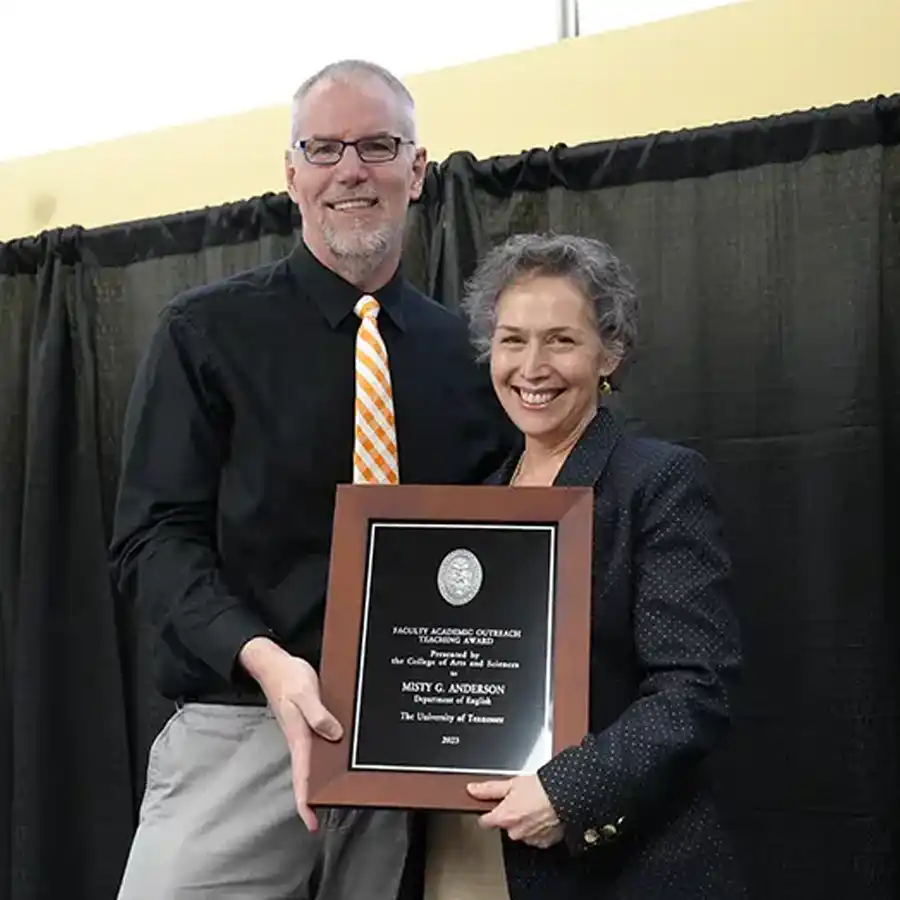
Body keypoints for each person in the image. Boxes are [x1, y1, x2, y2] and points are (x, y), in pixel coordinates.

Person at [109, 59, 512, 899]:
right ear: (291, 173)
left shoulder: (472, 357)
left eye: (377, 144)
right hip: (240, 731)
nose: (350, 169)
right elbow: (153, 541)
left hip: (413, 749)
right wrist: (269, 662)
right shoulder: (204, 333)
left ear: (417, 169)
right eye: (323, 148)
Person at [423, 233, 748, 899]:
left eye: (561, 340)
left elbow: (695, 687)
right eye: (512, 340)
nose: (532, 366)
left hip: (618, 867)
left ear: (610, 352)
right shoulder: (471, 504)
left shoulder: (658, 482)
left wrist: (570, 794)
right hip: (468, 856)